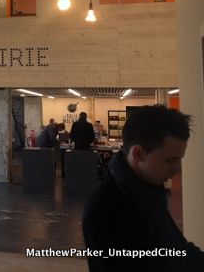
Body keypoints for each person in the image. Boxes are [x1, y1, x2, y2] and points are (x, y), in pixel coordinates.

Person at [83, 105, 204, 271]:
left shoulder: (149, 189)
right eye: (170, 160)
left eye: (179, 160)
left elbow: (177, 247)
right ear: (138, 154)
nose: (178, 170)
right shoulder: (103, 210)